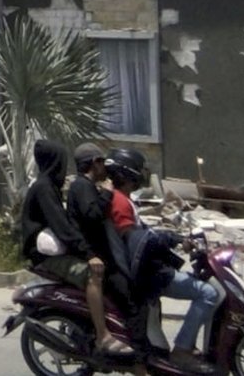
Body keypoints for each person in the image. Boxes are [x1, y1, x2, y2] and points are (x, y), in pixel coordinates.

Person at [105, 147, 219, 374]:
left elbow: (143, 233)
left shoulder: (125, 200)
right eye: (138, 171)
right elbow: (134, 238)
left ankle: (179, 347)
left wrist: (170, 237)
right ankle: (183, 350)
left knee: (196, 284)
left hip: (146, 266)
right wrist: (171, 239)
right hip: (145, 273)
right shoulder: (119, 202)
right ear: (128, 175)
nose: (141, 175)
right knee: (208, 293)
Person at [20, 138, 136, 360]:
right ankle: (103, 335)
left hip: (56, 249)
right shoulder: (44, 188)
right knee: (92, 273)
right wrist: (89, 254)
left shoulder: (49, 186)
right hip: (43, 256)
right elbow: (63, 227)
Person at [66, 142, 151, 365]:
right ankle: (139, 363)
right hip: (96, 258)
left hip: (102, 256)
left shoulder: (88, 186)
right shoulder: (82, 187)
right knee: (133, 304)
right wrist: (106, 193)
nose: (106, 167)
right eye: (102, 161)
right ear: (94, 163)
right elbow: (91, 215)